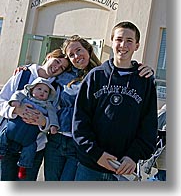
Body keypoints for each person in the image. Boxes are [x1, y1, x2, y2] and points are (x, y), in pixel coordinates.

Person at [44, 34, 154, 181]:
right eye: (71, 55)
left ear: (88, 50)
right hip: (57, 139)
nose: (76, 56)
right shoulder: (63, 75)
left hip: (80, 146)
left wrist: (147, 72)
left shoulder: (101, 75)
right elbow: (41, 81)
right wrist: (27, 69)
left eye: (79, 50)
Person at [72, 21, 158, 181]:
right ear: (112, 42)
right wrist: (97, 154)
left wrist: (133, 156)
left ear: (137, 46)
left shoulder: (144, 81)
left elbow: (149, 126)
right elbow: (80, 122)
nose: (123, 45)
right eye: (118, 39)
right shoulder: (95, 76)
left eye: (129, 41)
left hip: (124, 170)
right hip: (90, 167)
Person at [0, 49, 69, 181]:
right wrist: (16, 110)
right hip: (7, 144)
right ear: (49, 56)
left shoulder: (57, 88)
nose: (57, 67)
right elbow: (1, 100)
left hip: (34, 148)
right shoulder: (23, 75)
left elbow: (55, 117)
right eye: (57, 61)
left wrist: (44, 122)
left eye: (62, 68)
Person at [0, 77, 59, 179]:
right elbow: (16, 95)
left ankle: (23, 166)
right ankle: (1, 152)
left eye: (45, 91)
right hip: (11, 132)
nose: (42, 92)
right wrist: (15, 104)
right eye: (39, 89)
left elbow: (53, 116)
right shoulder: (24, 96)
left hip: (31, 139)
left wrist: (51, 125)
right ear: (31, 89)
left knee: (29, 151)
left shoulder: (48, 105)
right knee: (3, 137)